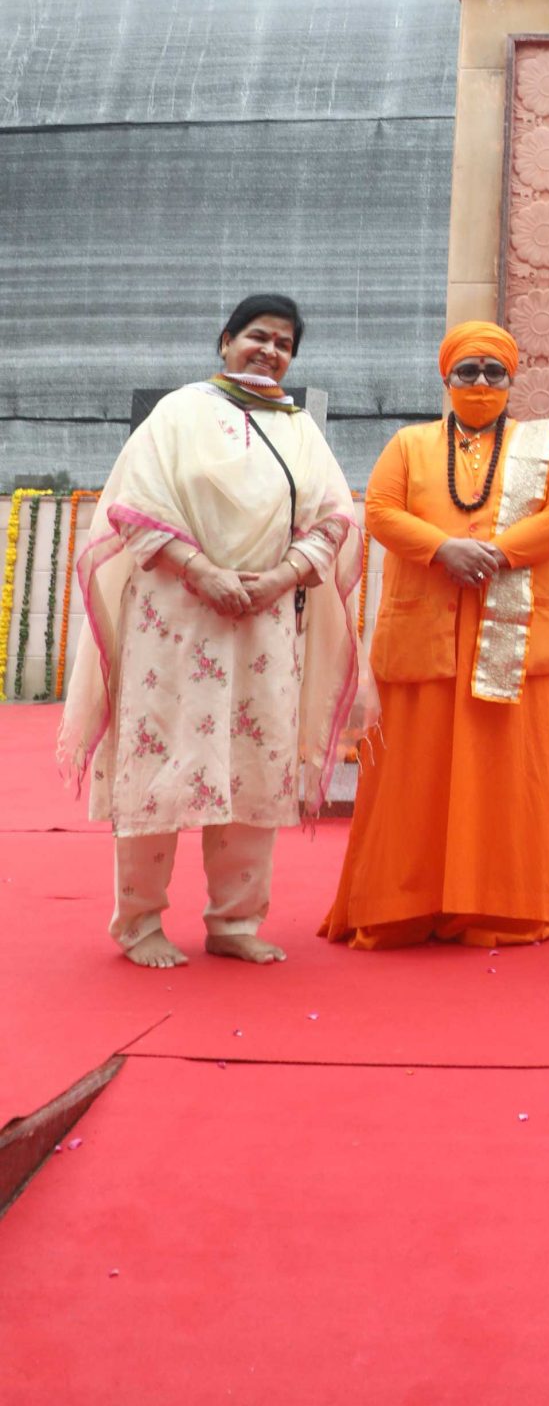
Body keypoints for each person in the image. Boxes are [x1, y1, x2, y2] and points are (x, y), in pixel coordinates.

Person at [58, 294, 364, 968]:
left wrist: (281, 577)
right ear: (225, 341)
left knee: (256, 762)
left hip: (263, 621)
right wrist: (201, 571)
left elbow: (334, 520)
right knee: (159, 757)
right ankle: (139, 924)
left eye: (284, 344)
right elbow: (133, 507)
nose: (270, 351)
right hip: (175, 618)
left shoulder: (299, 430)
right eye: (258, 336)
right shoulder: (179, 413)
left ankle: (235, 920)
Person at [321, 323, 549, 950]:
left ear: (512, 380)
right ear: (446, 378)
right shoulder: (410, 444)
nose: (481, 382)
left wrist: (497, 553)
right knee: (415, 774)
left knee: (511, 771)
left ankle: (509, 904)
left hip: (513, 636)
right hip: (428, 633)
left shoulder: (542, 445)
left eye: (494, 371)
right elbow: (380, 511)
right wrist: (444, 549)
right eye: (468, 371)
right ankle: (405, 903)